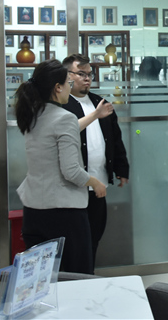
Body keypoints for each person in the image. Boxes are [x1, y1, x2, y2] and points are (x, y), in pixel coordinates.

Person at [14, 59, 107, 274]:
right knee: (75, 275)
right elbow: (71, 170)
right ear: (57, 87)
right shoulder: (64, 118)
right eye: (68, 83)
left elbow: (62, 133)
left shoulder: (32, 115)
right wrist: (95, 183)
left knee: (40, 278)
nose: (70, 87)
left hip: (33, 210)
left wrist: (93, 116)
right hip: (64, 213)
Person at [61, 53, 130, 269]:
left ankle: (87, 277)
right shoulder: (61, 105)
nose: (87, 79)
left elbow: (115, 139)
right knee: (75, 243)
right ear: (67, 76)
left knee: (93, 237)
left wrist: (121, 168)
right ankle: (75, 280)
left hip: (98, 185)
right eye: (81, 74)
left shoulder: (101, 103)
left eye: (89, 74)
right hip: (72, 187)